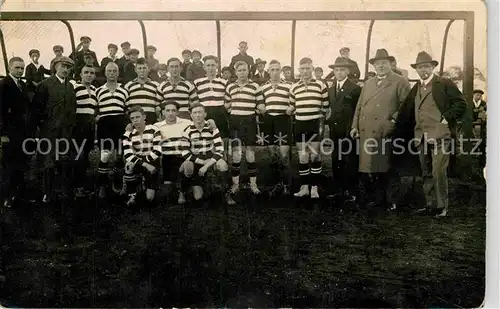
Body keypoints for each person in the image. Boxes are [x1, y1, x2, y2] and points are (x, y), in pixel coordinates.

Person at [396, 51, 467, 218]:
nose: (423, 70)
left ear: (433, 67)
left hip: (440, 135)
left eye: (426, 66)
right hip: (421, 136)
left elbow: (461, 103)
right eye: (420, 67)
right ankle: (430, 204)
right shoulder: (417, 87)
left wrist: (445, 119)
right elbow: (407, 109)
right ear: (416, 70)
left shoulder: (444, 83)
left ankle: (442, 206)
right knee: (426, 171)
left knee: (438, 171)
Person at [350, 49, 411, 210]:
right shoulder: (368, 83)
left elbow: (406, 106)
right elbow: (360, 106)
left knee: (388, 167)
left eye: (384, 63)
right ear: (374, 66)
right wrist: (354, 126)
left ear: (390, 63)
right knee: (371, 167)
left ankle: (391, 200)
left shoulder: (400, 81)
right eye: (378, 63)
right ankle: (377, 199)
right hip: (367, 130)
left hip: (387, 132)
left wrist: (391, 122)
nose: (381, 66)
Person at [32, 56, 77, 203]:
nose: (66, 69)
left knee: (64, 161)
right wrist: (43, 128)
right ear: (55, 67)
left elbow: (72, 109)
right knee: (48, 162)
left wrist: (69, 127)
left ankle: (62, 192)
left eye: (68, 67)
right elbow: (36, 110)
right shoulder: (44, 85)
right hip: (49, 131)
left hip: (65, 132)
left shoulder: (70, 86)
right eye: (63, 66)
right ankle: (47, 193)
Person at [287, 57, 329, 199]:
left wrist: (320, 124)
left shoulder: (320, 85)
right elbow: (292, 106)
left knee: (315, 155)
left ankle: (314, 188)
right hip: (300, 124)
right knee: (303, 156)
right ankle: (304, 187)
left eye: (308, 68)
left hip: (314, 124)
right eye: (302, 69)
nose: (305, 71)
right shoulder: (294, 87)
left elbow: (325, 106)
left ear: (312, 69)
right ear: (299, 70)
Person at [179, 103, 235, 205]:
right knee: (188, 167)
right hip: (195, 158)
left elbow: (220, 150)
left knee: (223, 165)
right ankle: (182, 192)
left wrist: (206, 165)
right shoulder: (187, 130)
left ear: (205, 114)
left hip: (210, 157)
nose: (198, 115)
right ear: (191, 115)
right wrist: (201, 162)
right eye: (195, 113)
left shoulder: (212, 128)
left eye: (200, 112)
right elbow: (185, 152)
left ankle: (227, 194)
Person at [225, 60, 265, 197]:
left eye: (245, 70)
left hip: (250, 122)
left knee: (250, 154)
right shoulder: (230, 86)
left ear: (249, 71)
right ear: (235, 72)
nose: (242, 73)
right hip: (235, 121)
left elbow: (261, 106)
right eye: (239, 70)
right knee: (236, 155)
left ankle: (253, 185)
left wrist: (255, 111)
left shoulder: (255, 86)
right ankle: (235, 185)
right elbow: (226, 105)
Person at [326, 57, 361, 203]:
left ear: (348, 71)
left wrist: (355, 127)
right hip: (335, 130)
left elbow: (358, 110)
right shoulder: (330, 89)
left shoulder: (355, 88)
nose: (339, 73)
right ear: (333, 71)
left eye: (342, 70)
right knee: (336, 159)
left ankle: (351, 191)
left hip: (349, 130)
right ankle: (338, 189)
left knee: (350, 160)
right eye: (337, 70)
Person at [0, 57, 34, 207]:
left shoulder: (23, 85)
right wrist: (2, 134)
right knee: (10, 166)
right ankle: (7, 197)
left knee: (22, 163)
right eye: (17, 68)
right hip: (10, 133)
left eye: (22, 68)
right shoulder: (4, 85)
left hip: (23, 132)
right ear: (9, 68)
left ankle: (19, 195)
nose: (20, 70)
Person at [95, 62, 129, 198]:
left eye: (114, 71)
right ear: (105, 73)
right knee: (105, 156)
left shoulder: (124, 90)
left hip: (120, 123)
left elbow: (128, 109)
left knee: (121, 155)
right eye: (109, 71)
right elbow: (95, 109)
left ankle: (118, 182)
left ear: (118, 73)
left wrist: (128, 123)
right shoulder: (99, 91)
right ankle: (102, 186)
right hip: (105, 124)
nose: (112, 73)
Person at [260, 60, 293, 196]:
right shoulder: (262, 87)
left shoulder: (290, 86)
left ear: (281, 71)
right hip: (268, 121)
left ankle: (287, 185)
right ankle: (275, 184)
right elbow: (259, 103)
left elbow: (295, 102)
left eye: (277, 69)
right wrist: (260, 108)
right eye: (272, 70)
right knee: (272, 155)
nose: (274, 72)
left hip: (283, 121)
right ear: (268, 71)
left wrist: (291, 108)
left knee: (284, 155)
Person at [122, 106, 162, 206]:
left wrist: (146, 163)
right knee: (128, 165)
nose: (135, 120)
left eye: (138, 117)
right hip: (139, 161)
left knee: (149, 198)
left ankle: (143, 183)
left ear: (144, 117)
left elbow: (157, 151)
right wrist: (145, 164)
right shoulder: (128, 133)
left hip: (152, 161)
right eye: (132, 118)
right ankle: (132, 194)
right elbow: (128, 154)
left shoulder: (154, 129)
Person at [155, 101, 193, 204]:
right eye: (168, 110)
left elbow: (202, 124)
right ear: (163, 112)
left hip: (183, 155)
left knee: (186, 173)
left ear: (177, 112)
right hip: (167, 157)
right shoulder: (157, 126)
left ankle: (182, 191)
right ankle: (174, 186)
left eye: (173, 110)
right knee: (167, 194)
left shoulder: (187, 123)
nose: (170, 113)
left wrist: (211, 121)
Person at [193, 55, 230, 158]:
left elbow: (228, 99)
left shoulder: (224, 82)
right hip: (205, 112)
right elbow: (194, 100)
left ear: (217, 66)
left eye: (213, 65)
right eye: (208, 65)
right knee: (206, 138)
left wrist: (225, 108)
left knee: (222, 138)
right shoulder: (197, 82)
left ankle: (223, 160)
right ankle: (207, 162)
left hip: (220, 112)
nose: (210, 68)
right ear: (204, 67)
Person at [70, 65, 98, 197]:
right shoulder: (74, 87)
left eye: (91, 73)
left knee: (86, 157)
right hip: (77, 126)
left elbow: (94, 110)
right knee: (78, 157)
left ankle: (83, 186)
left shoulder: (94, 90)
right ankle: (76, 187)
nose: (89, 75)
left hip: (89, 127)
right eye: (86, 72)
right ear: (80, 74)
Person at [123, 58, 162, 124]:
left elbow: (159, 104)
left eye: (144, 68)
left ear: (148, 69)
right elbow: (126, 106)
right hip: (134, 120)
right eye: (139, 68)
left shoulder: (156, 85)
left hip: (151, 119)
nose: (142, 70)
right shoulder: (128, 86)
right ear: (135, 70)